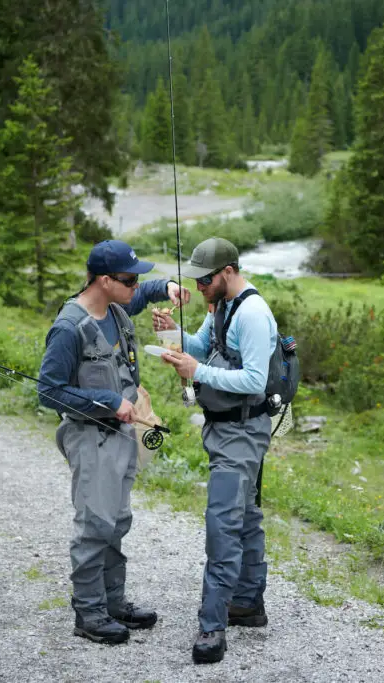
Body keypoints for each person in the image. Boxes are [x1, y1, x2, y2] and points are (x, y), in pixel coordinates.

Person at [38, 239, 190, 645]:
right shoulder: (69, 328)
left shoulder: (117, 308)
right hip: (90, 436)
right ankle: (89, 613)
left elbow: (143, 296)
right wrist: (107, 400)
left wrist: (167, 288)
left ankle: (113, 601)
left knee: (118, 520)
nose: (134, 286)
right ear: (104, 280)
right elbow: (48, 392)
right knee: (94, 524)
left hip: (122, 436)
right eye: (129, 280)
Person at [156, 237, 278, 664]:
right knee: (244, 516)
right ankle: (247, 603)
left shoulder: (254, 314)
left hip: (244, 433)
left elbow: (255, 382)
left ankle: (212, 627)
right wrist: (171, 336)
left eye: (205, 279)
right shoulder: (221, 307)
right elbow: (199, 349)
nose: (200, 286)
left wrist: (198, 372)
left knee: (222, 524)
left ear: (227, 272)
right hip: (224, 430)